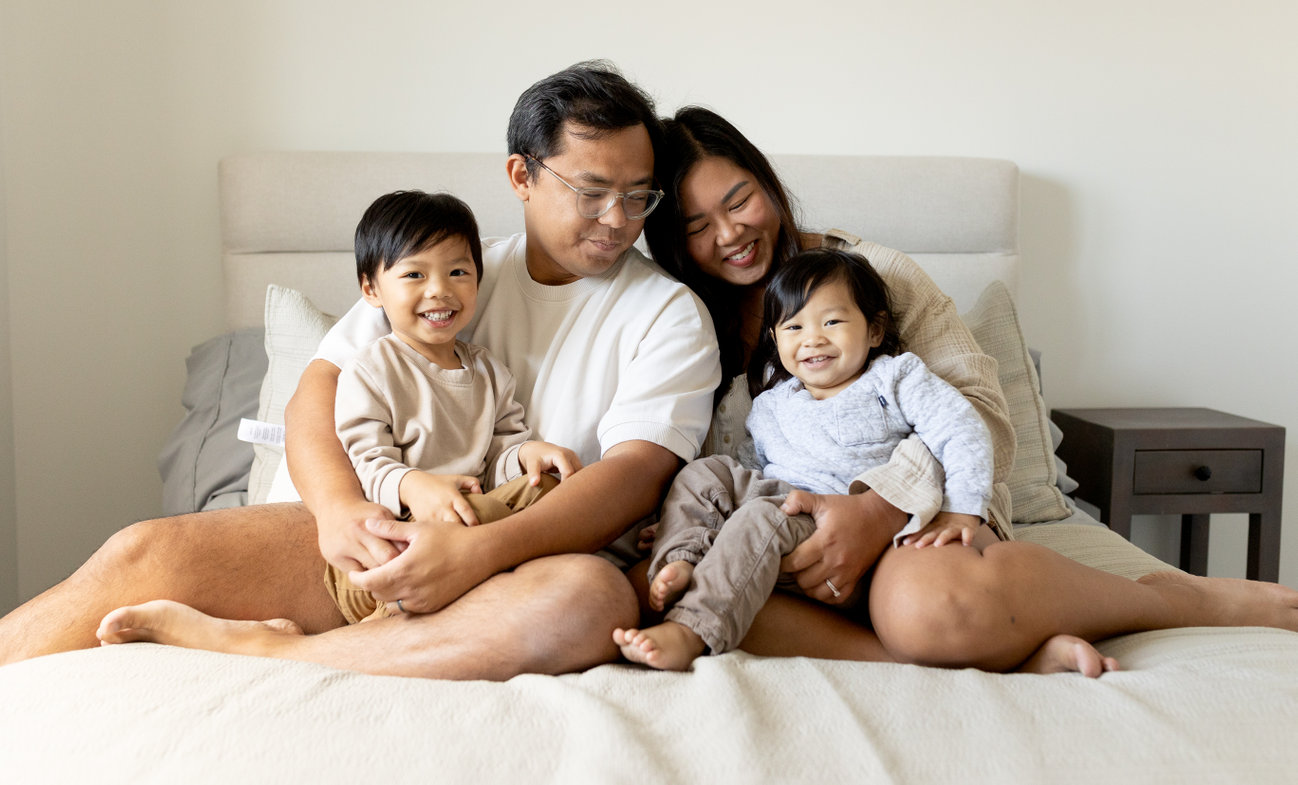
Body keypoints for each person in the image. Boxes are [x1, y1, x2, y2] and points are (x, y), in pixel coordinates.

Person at [0, 62, 722, 679]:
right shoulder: (443, 267)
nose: (618, 218)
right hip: (376, 533)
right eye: (592, 191)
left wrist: (476, 552)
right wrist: (342, 510)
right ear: (521, 175)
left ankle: (273, 652)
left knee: (591, 601)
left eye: (638, 196)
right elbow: (319, 391)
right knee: (142, 550)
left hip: (525, 559)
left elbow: (635, 475)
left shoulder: (670, 313)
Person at [633, 105, 1298, 677]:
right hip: (779, 530)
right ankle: (1002, 658)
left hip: (917, 522)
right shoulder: (676, 315)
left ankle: (1170, 600)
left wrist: (879, 508)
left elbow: (980, 414)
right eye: (696, 225)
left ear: (768, 184)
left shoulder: (877, 279)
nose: (729, 233)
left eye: (739, 199)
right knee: (682, 593)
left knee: (931, 610)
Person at [615, 247, 996, 670]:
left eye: (832, 321)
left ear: (874, 329)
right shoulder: (771, 404)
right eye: (793, 326)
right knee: (708, 472)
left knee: (760, 516)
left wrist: (963, 508)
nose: (813, 338)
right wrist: (690, 517)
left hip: (842, 523)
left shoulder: (894, 378)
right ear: (775, 340)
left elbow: (961, 430)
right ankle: (681, 558)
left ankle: (692, 630)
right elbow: (748, 471)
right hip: (783, 504)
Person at [323, 189, 583, 622]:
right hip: (391, 540)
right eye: (414, 276)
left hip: (473, 521)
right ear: (371, 288)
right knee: (446, 534)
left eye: (458, 271)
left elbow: (498, 457)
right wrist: (414, 485)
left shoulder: (488, 371)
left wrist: (525, 455)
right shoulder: (370, 368)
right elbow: (365, 462)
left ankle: (471, 590)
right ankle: (386, 618)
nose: (440, 291)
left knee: (553, 491)